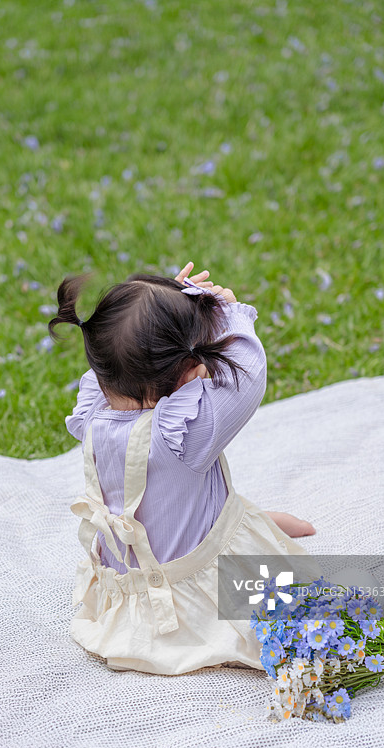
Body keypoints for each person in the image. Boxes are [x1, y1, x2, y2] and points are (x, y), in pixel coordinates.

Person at [48, 262, 318, 675]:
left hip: (129, 586)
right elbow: (249, 372)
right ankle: (250, 535)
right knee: (322, 599)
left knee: (207, 506)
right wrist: (226, 312)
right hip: (189, 596)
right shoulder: (185, 433)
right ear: (191, 374)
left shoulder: (93, 414)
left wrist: (164, 311)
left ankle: (255, 520)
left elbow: (124, 354)